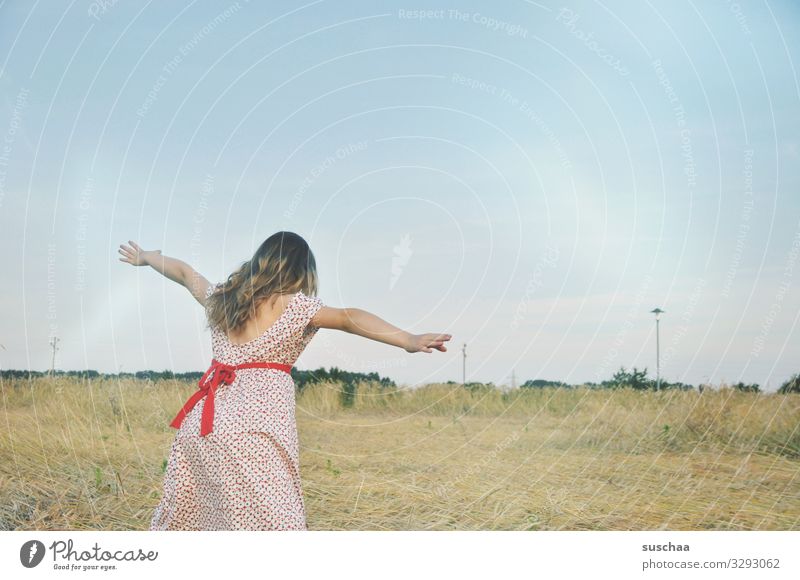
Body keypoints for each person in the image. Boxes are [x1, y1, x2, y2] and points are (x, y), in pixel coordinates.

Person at [118, 231, 451, 530]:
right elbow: (349, 318)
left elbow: (186, 273)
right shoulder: (294, 306)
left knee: (201, 522)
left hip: (202, 431)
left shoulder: (224, 298)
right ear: (302, 272)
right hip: (252, 435)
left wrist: (147, 257)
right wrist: (407, 339)